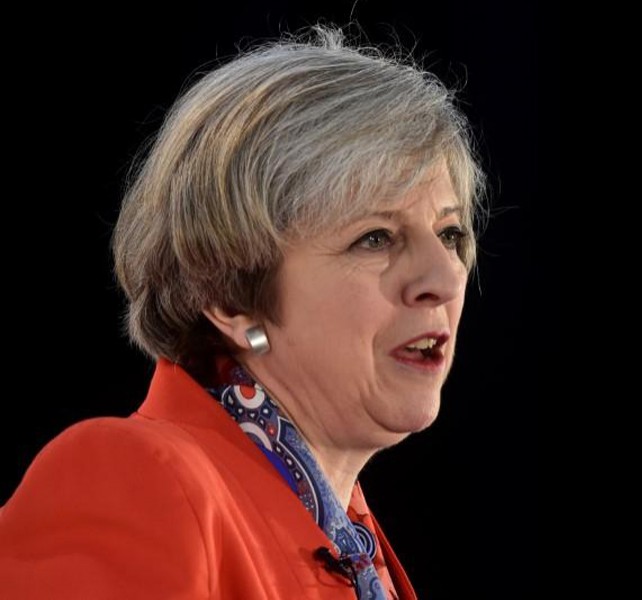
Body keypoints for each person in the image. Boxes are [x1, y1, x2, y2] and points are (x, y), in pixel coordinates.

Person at [0, 25, 483, 599]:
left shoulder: (357, 544)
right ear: (230, 295)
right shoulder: (135, 481)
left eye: (450, 233)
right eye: (375, 238)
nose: (444, 277)